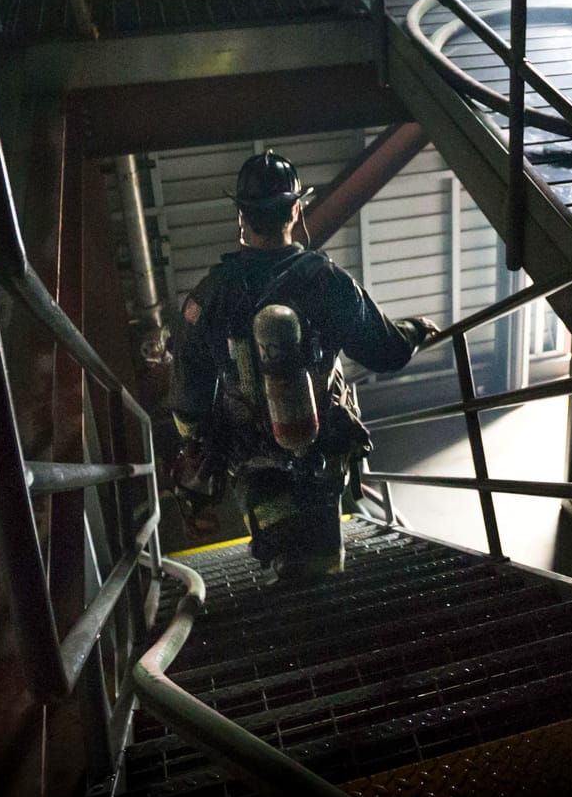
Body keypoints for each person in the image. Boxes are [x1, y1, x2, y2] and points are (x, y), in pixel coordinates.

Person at [164, 150, 440, 580]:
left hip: (252, 457)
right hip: (320, 447)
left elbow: (189, 399)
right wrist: (418, 329)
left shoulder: (210, 295)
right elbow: (385, 350)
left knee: (281, 554)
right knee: (325, 560)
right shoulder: (327, 281)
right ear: (295, 210)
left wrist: (197, 454)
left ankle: (282, 564)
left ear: (242, 216)